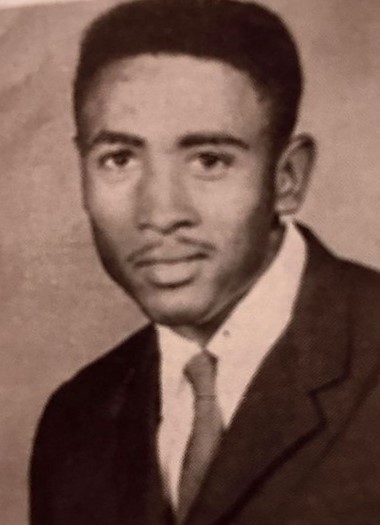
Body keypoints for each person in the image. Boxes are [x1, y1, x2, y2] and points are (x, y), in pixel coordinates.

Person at [29, 1, 380, 524]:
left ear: (287, 178)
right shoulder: (74, 422)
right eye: (119, 159)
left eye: (209, 161)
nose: (160, 213)